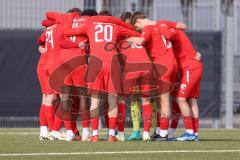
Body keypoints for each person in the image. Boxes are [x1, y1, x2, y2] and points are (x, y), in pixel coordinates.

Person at [64, 15, 140, 142]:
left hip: (96, 65)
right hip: (111, 64)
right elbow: (134, 33)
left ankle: (94, 134)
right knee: (112, 100)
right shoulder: (115, 27)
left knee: (94, 101)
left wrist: (68, 20)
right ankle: (111, 134)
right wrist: (134, 29)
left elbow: (68, 32)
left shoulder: (90, 25)